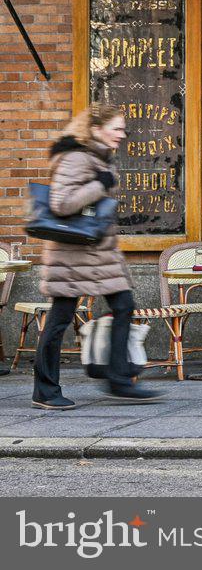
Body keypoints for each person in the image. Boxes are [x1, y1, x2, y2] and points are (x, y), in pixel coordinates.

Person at [32, 106, 163, 410]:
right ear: (95, 129)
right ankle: (45, 390)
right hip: (72, 256)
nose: (122, 134)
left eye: (122, 129)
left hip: (98, 254)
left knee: (124, 305)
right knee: (60, 319)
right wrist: (99, 184)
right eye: (116, 128)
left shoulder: (98, 158)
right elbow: (61, 204)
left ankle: (119, 380)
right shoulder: (76, 158)